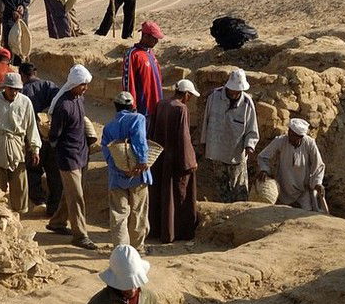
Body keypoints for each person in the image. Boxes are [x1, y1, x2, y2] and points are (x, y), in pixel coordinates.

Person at [46, 64, 99, 250]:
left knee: (71, 193)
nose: (85, 88)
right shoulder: (63, 106)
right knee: (76, 196)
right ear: (74, 83)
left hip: (81, 154)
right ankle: (80, 235)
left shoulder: (79, 99)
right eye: (83, 84)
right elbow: (54, 135)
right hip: (68, 158)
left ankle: (57, 223)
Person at [0, 71, 41, 214]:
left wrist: (35, 149)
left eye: (17, 89)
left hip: (17, 146)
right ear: (5, 87)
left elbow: (31, 127)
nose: (14, 92)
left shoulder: (25, 102)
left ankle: (17, 216)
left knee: (20, 186)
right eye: (11, 89)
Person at [148, 80, 200, 244]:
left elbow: (152, 129)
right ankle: (176, 232)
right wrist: (190, 162)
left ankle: (156, 230)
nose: (189, 99)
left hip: (159, 158)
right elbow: (184, 137)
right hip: (175, 160)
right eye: (190, 96)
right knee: (177, 196)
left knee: (159, 195)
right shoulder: (181, 108)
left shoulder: (161, 104)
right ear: (186, 94)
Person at [101, 91, 152, 252]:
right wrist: (142, 161)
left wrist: (118, 166)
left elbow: (106, 150)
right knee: (138, 212)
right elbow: (139, 140)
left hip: (116, 176)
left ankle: (121, 250)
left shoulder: (109, 126)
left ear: (116, 107)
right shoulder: (138, 118)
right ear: (132, 106)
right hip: (138, 174)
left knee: (118, 214)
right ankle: (137, 249)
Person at [199, 69, 259, 204]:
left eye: (238, 92)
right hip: (217, 151)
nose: (235, 94)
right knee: (221, 188)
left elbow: (252, 129)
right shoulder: (214, 97)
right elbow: (206, 122)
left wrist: (250, 145)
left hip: (236, 154)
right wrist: (203, 143)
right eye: (233, 91)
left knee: (240, 190)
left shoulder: (247, 103)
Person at [19, 61, 62, 212]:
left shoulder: (22, 92)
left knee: (33, 170)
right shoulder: (49, 85)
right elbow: (58, 103)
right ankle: (54, 206)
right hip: (50, 134)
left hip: (32, 137)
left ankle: (39, 201)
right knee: (53, 172)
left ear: (22, 75)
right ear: (35, 73)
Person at [256, 118, 326, 210]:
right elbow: (263, 156)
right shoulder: (281, 141)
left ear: (300, 137)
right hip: (283, 187)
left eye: (293, 135)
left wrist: (317, 183)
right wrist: (264, 169)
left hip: (302, 189)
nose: (289, 136)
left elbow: (318, 165)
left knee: (308, 212)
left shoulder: (309, 143)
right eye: (289, 132)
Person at [121, 21, 165, 120]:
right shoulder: (132, 54)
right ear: (145, 36)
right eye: (154, 38)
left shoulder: (150, 53)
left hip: (156, 106)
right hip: (142, 109)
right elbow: (128, 82)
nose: (156, 41)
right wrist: (131, 106)